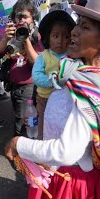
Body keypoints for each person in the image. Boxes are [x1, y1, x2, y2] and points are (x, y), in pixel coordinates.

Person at [3, 0, 100, 199]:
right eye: (79, 23)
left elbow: (67, 151)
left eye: (85, 27)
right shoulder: (79, 69)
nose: (74, 32)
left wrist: (19, 144)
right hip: (64, 173)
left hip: (74, 183)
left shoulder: (94, 84)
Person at [0, 0, 44, 138]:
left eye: (25, 16)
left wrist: (26, 38)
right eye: (18, 16)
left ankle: (19, 150)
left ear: (33, 18)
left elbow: (36, 63)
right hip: (14, 86)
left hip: (28, 87)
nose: (21, 20)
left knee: (22, 122)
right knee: (19, 118)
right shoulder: (12, 33)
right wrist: (6, 39)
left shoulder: (36, 35)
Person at [31, 10, 75, 140]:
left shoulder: (72, 56)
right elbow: (36, 76)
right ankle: (42, 148)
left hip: (65, 100)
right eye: (55, 36)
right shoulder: (43, 56)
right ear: (48, 38)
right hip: (45, 99)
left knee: (62, 127)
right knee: (44, 125)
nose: (60, 41)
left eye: (66, 36)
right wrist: (52, 81)